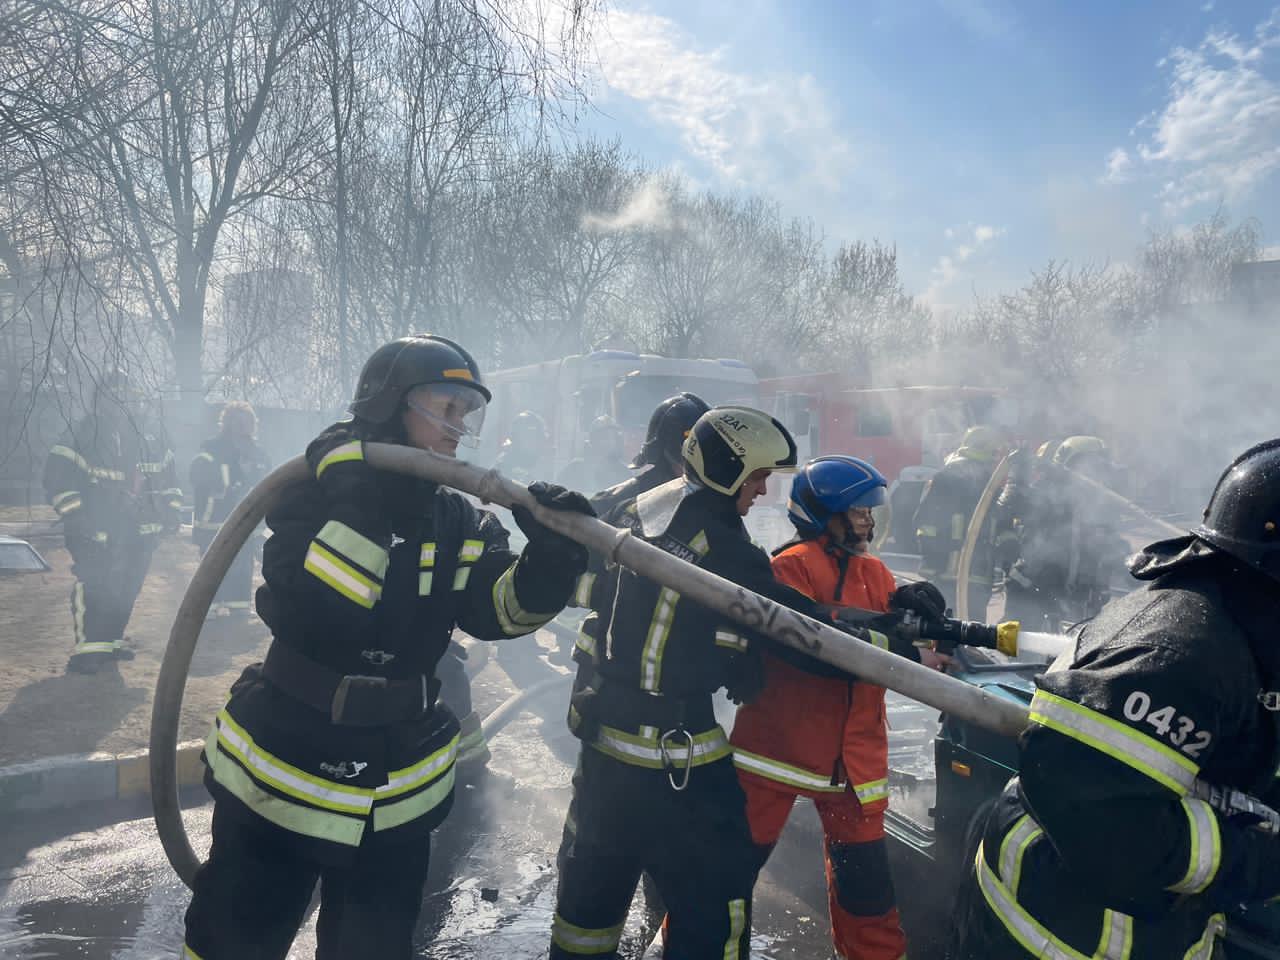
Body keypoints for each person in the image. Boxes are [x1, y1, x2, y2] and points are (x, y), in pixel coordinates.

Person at [181, 335, 593, 960]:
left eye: (466, 414)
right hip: (284, 769)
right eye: (445, 408)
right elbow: (329, 612)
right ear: (389, 405)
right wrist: (364, 500)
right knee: (232, 945)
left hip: (397, 788)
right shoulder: (312, 493)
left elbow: (498, 613)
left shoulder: (458, 517)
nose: (459, 428)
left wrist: (551, 561)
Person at [948, 437, 1280, 959]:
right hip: (1061, 935)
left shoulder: (1233, 629)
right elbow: (1110, 828)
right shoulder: (1176, 657)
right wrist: (1259, 858)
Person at [550, 406, 826, 959]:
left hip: (604, 758)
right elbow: (809, 636)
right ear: (728, 469)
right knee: (715, 914)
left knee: (586, 915)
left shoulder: (641, 508)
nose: (764, 491)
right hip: (682, 772)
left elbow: (635, 612)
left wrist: (734, 647)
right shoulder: (728, 550)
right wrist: (894, 637)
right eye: (757, 476)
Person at [732, 455, 950, 960]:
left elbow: (893, 624)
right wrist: (903, 651)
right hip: (778, 753)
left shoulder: (876, 571)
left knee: (867, 893)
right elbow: (821, 644)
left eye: (871, 510)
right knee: (728, 874)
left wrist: (922, 611)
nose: (869, 520)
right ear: (824, 514)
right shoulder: (790, 566)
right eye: (857, 511)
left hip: (855, 766)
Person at [43, 370, 182, 674]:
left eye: (131, 398)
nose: (125, 404)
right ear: (100, 399)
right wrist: (79, 519)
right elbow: (57, 481)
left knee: (126, 587)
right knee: (95, 584)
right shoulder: (81, 434)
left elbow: (170, 481)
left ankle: (110, 643)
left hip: (139, 532)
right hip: (96, 531)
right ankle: (88, 650)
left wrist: (170, 513)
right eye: (116, 397)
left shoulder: (153, 438)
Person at [997, 435, 1126, 630]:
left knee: (1074, 655)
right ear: (1068, 465)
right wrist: (1017, 475)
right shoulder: (1046, 493)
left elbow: (1109, 544)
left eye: (1100, 467)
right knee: (1018, 649)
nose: (1095, 473)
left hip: (1080, 597)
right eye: (1089, 465)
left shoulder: (1101, 503)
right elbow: (1007, 507)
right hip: (1032, 589)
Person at [190, 401, 272, 619]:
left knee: (243, 564)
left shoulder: (258, 453)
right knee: (213, 564)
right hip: (214, 519)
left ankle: (238, 607)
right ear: (226, 423)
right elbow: (197, 474)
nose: (242, 426)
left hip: (246, 520)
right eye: (237, 421)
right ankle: (209, 607)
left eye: (247, 422)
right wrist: (230, 482)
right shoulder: (212, 448)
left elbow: (267, 481)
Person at [913, 425, 1006, 618]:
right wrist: (938, 551)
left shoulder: (984, 478)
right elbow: (926, 521)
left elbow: (997, 521)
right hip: (952, 573)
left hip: (965, 575)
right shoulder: (952, 475)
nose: (996, 459)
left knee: (955, 629)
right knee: (959, 629)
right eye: (994, 452)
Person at [558, 415, 630, 493]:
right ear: (593, 440)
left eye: (611, 437)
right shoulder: (574, 468)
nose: (608, 442)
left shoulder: (623, 472)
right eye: (603, 437)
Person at [494, 409, 551, 486]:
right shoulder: (504, 466)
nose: (537, 443)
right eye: (532, 437)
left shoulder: (539, 464)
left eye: (539, 438)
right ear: (516, 438)